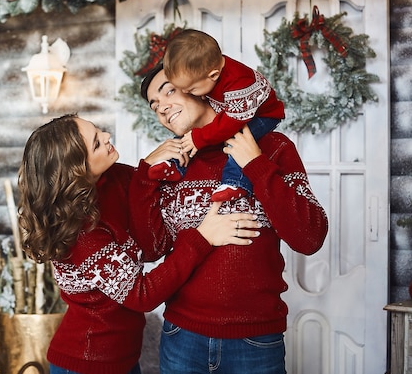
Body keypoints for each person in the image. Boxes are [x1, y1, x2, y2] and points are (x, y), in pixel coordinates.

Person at [17, 114, 261, 374]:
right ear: (76, 169)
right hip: (87, 364)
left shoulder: (112, 178)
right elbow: (142, 295)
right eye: (97, 143)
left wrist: (148, 168)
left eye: (99, 131)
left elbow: (149, 236)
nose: (107, 137)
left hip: (123, 358)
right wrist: (202, 237)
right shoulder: (84, 234)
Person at [130, 66, 328, 374]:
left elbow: (311, 237)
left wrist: (256, 165)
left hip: (255, 342)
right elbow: (152, 249)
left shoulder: (273, 147)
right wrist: (145, 176)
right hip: (181, 338)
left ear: (199, 87)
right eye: (154, 105)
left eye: (168, 91)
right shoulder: (172, 168)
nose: (162, 107)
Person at [147, 29, 286, 203]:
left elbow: (230, 123)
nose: (162, 108)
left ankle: (235, 182)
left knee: (237, 139)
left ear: (213, 75)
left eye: (188, 90)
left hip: (262, 116)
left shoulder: (239, 84)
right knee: (192, 137)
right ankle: (175, 164)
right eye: (155, 106)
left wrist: (199, 137)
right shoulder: (206, 69)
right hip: (234, 113)